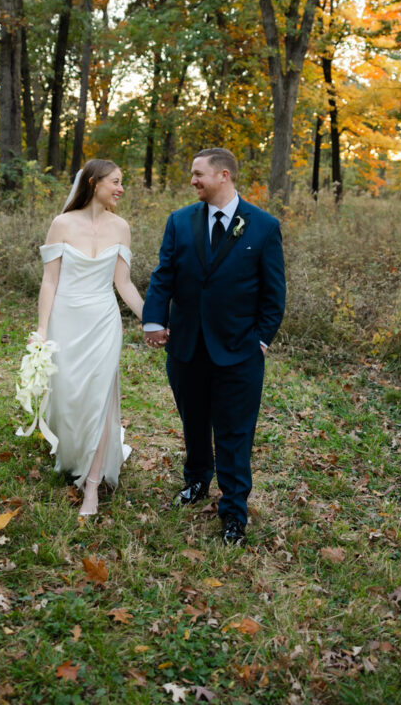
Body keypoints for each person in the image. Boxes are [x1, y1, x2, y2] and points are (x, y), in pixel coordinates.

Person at [142, 148, 285, 545]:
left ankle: (234, 512)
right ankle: (197, 481)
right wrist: (154, 320)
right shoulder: (179, 221)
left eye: (198, 174)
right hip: (186, 348)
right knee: (194, 423)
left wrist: (260, 339)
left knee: (235, 433)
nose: (193, 181)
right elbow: (163, 275)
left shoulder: (263, 226)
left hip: (239, 352)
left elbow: (274, 296)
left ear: (224, 175)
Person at [37, 159, 143, 516]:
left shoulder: (122, 227)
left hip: (103, 322)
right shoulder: (62, 224)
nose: (121, 188)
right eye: (116, 181)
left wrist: (153, 320)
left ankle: (92, 486)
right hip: (66, 320)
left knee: (100, 397)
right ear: (94, 182)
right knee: (69, 396)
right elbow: (50, 281)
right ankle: (72, 451)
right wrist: (41, 330)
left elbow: (123, 283)